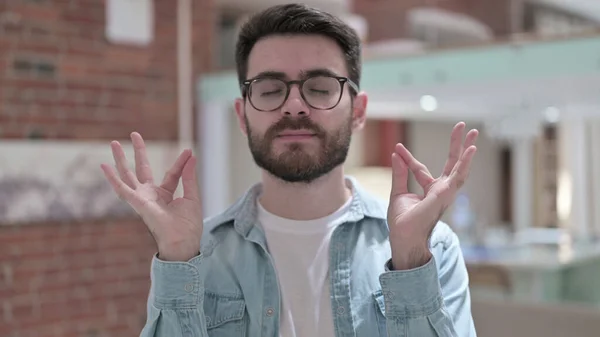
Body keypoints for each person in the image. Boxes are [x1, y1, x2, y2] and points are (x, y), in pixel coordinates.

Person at [101, 3, 478, 337]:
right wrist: (178, 259)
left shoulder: (433, 248)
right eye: (269, 90)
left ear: (358, 111)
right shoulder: (198, 256)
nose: (294, 106)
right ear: (243, 116)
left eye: (319, 87)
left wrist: (411, 260)